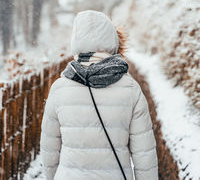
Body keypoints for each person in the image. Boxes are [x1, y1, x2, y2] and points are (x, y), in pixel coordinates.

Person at [40, 10, 158, 180]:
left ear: (76, 40)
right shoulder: (130, 88)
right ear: (112, 40)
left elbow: (49, 149)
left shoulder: (59, 88)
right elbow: (144, 154)